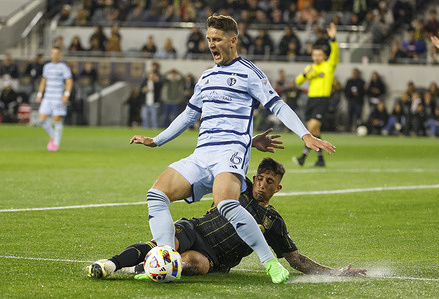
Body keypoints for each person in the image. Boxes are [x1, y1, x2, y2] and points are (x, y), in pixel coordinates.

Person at [129, 15, 335, 284]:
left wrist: (305, 134)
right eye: (209, 39)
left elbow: (278, 105)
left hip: (230, 153)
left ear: (232, 41)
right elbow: (188, 115)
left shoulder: (250, 73)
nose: (211, 44)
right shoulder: (206, 77)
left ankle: (270, 263)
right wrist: (157, 140)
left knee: (227, 203)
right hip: (202, 153)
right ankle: (166, 262)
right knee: (156, 194)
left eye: (216, 39)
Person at [87, 157, 366, 279]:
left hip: (214, 258)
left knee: (192, 264)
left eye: (270, 182)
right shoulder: (237, 184)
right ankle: (110, 264)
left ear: (277, 188)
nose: (262, 184)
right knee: (164, 243)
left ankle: (136, 270)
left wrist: (335, 272)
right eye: (260, 178)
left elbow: (296, 259)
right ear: (254, 178)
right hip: (194, 229)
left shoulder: (273, 221)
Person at [293, 22, 338, 167]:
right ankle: (320, 160)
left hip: (323, 100)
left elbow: (335, 54)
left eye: (319, 55)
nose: (316, 57)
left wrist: (333, 39)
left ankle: (303, 157)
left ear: (324, 56)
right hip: (311, 100)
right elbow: (298, 81)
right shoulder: (310, 68)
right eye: (314, 54)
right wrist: (306, 74)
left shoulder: (328, 66)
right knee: (315, 131)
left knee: (310, 129)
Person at [35, 46, 73, 151]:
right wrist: (39, 94)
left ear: (60, 55)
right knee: (41, 119)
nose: (55, 55)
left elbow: (69, 81)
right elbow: (44, 81)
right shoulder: (47, 66)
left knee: (57, 119)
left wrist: (66, 94)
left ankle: (56, 144)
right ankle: (53, 136)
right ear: (50, 54)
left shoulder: (63, 67)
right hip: (47, 97)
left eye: (57, 53)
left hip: (58, 97)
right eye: (53, 53)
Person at [344, 68, 365, 133]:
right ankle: (349, 128)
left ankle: (358, 128)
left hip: (358, 101)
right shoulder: (349, 81)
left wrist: (358, 94)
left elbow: (364, 92)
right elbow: (345, 90)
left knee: (358, 115)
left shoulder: (361, 82)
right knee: (350, 114)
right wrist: (349, 95)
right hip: (351, 100)